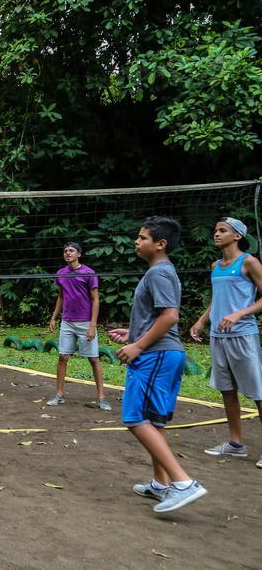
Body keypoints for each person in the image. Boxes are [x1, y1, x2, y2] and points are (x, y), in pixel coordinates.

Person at [108, 216, 207, 513]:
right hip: (162, 353)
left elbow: (170, 316)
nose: (136, 242)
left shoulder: (159, 274)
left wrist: (138, 345)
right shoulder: (161, 272)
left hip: (157, 355)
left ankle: (183, 483)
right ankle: (160, 484)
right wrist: (133, 333)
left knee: (135, 418)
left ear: (160, 244)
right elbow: (158, 316)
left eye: (142, 238)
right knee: (154, 420)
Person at [190, 218, 262, 468]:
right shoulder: (216, 265)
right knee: (227, 390)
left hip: (243, 335)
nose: (216, 234)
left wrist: (239, 313)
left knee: (257, 393)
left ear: (237, 236)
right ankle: (235, 444)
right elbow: (216, 298)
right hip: (218, 337)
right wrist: (201, 321)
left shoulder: (249, 262)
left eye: (223, 231)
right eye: (216, 230)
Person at [46, 242, 111, 410]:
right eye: (65, 251)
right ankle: (59, 395)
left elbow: (95, 299)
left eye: (71, 251)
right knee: (63, 357)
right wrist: (54, 317)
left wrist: (92, 325)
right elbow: (61, 297)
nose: (68, 253)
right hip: (67, 321)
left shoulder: (89, 273)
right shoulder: (61, 274)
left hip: (85, 322)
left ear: (79, 254)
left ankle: (101, 397)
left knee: (94, 359)